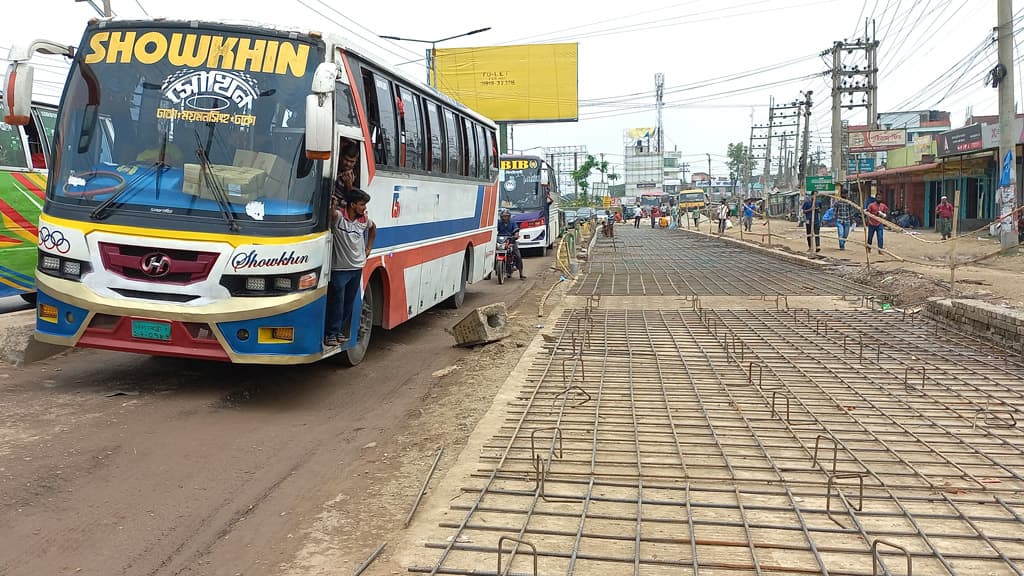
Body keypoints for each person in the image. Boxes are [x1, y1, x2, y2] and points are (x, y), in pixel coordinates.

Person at [326, 188, 376, 348]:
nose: (364, 208)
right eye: (361, 205)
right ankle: (330, 334)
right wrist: (332, 205)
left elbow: (373, 228)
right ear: (352, 205)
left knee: (348, 302)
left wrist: (368, 248)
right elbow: (331, 215)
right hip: (339, 269)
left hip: (356, 268)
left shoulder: (364, 220)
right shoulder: (340, 217)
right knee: (337, 302)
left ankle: (339, 331)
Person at [497, 209, 526, 279]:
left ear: (509, 216)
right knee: (491, 254)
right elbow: (495, 229)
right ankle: (488, 274)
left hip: (511, 241)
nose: (505, 218)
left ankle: (521, 273)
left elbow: (516, 230)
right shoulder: (499, 222)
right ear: (501, 217)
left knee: (518, 256)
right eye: (503, 216)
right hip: (501, 242)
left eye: (506, 216)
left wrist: (516, 235)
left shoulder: (513, 222)